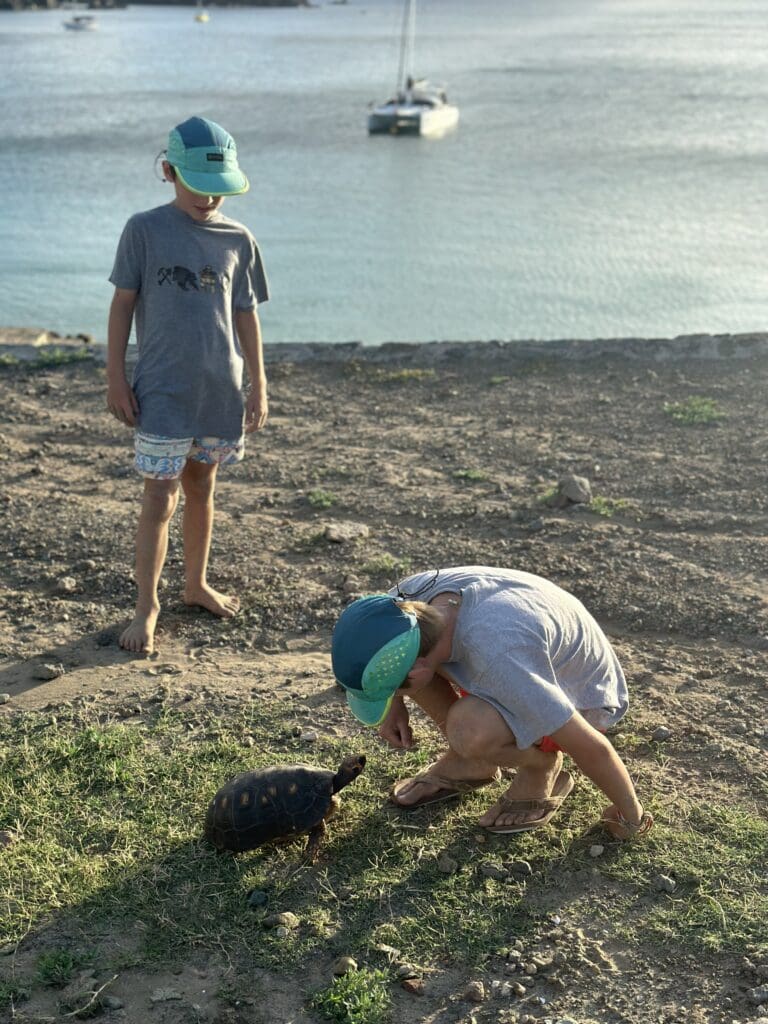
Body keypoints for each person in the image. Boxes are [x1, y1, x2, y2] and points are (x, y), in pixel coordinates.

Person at [331, 567, 653, 839]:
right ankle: (472, 762)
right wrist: (393, 702)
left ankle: (540, 766)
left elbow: (590, 746)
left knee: (469, 727)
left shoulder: (500, 657)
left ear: (415, 668)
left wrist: (631, 815)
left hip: (576, 687)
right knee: (429, 672)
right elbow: (398, 655)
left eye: (396, 689)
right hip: (518, 647)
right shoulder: (402, 607)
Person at [106, 116, 269, 655]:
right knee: (160, 496)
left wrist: (259, 384)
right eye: (197, 185)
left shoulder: (238, 239)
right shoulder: (144, 230)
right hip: (163, 392)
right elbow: (123, 304)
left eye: (217, 189)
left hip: (219, 391)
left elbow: (245, 315)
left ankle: (195, 584)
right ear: (169, 171)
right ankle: (146, 606)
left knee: (202, 489)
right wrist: (115, 378)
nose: (208, 199)